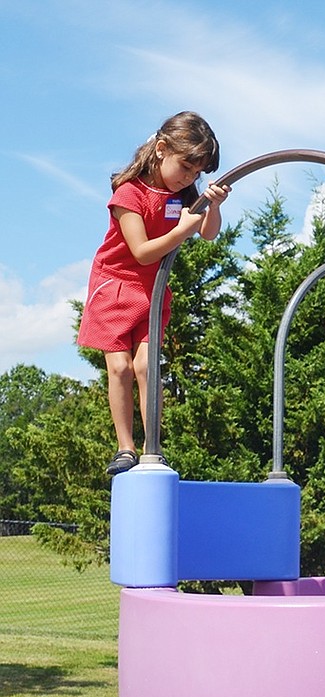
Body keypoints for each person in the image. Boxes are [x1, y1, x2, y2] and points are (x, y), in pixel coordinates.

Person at [76, 111, 230, 475]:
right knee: (120, 367)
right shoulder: (128, 194)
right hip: (114, 285)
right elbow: (142, 250)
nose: (190, 178)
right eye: (186, 167)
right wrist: (182, 232)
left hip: (152, 289)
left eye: (197, 173)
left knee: (147, 366)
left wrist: (214, 208)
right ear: (161, 149)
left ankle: (152, 447)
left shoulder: (183, 194)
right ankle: (125, 447)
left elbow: (208, 233)